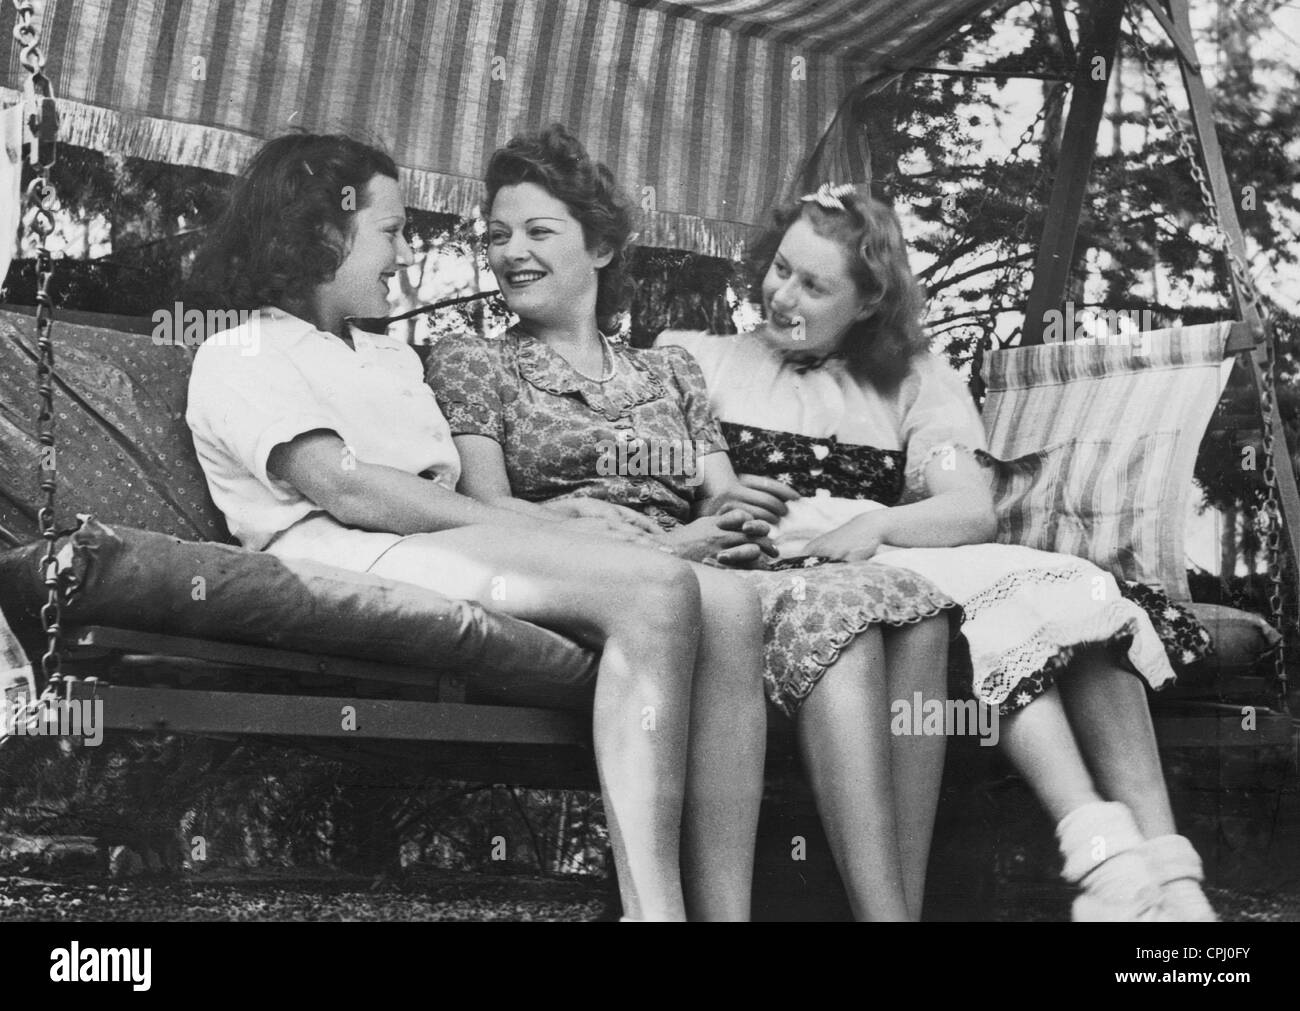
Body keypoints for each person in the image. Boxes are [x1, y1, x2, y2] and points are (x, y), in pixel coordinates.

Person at [183, 132, 772, 922]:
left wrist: (553, 520)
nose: (402, 253)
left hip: (438, 544)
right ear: (325, 230)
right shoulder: (240, 349)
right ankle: (654, 911)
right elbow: (345, 487)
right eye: (390, 231)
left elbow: (452, 494)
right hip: (345, 555)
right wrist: (533, 530)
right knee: (659, 590)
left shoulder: (384, 356)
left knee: (728, 606)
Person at [428, 125, 967, 921]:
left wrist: (735, 509)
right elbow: (483, 506)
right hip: (594, 575)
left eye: (540, 231)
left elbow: (718, 499)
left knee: (910, 604)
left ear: (602, 245)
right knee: (767, 607)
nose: (513, 252)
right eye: (500, 234)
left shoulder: (667, 369)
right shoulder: (476, 358)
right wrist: (668, 542)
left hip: (706, 565)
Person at [659, 181, 1217, 922]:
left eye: (814, 284)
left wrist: (878, 527)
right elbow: (666, 490)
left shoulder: (912, 380)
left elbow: (969, 507)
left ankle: (1166, 876)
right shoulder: (700, 361)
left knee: (1072, 587)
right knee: (1001, 598)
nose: (781, 294)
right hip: (803, 579)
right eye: (781, 268)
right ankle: (1103, 853)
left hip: (891, 557)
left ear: (865, 303)